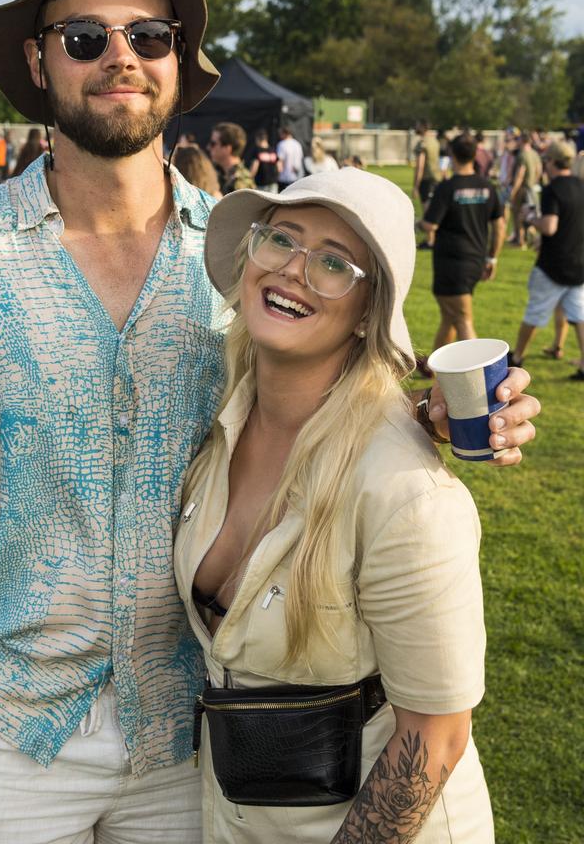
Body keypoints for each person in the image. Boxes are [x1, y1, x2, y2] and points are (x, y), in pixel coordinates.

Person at [0, 0, 538, 844]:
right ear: (40, 64)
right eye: (86, 38)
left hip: (195, 738)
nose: (120, 58)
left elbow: (319, 391)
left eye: (148, 37)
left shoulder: (248, 257)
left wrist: (425, 413)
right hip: (6, 729)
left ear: (176, 62)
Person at [176, 168, 493, 842]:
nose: (293, 270)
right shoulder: (215, 417)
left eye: (332, 262)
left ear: (367, 313)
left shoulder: (406, 494)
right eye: (280, 239)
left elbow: (433, 740)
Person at [420, 133, 505, 351]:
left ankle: (482, 374)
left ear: (451, 154)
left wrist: (416, 222)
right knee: (450, 316)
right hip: (476, 260)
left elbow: (430, 225)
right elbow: (500, 225)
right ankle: (434, 367)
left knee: (463, 319)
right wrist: (492, 258)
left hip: (451, 263)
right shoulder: (487, 186)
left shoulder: (448, 187)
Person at [511, 140, 584, 380]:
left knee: (534, 312)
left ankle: (518, 356)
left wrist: (530, 217)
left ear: (550, 162)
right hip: (579, 262)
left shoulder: (553, 189)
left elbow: (550, 226)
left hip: (554, 264)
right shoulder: (580, 185)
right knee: (580, 316)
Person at [509, 133, 542, 248]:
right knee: (531, 214)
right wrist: (533, 182)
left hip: (522, 188)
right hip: (532, 189)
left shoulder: (522, 155)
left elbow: (520, 174)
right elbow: (539, 170)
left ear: (522, 141)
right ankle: (533, 239)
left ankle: (521, 241)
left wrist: (513, 190)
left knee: (518, 214)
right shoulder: (534, 153)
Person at [412, 121, 439, 249]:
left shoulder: (422, 144)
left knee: (427, 211)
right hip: (436, 179)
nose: (415, 128)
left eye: (417, 126)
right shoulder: (434, 141)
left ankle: (430, 241)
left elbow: (420, 166)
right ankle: (432, 239)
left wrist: (416, 186)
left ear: (422, 127)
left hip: (427, 180)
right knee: (433, 209)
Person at [208, 122, 255, 195]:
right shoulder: (219, 172)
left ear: (227, 149)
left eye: (213, 144)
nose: (208, 147)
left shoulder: (241, 182)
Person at [275, 125, 304, 192]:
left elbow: (280, 163)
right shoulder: (297, 144)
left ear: (284, 133)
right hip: (296, 179)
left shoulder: (281, 144)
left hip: (284, 178)